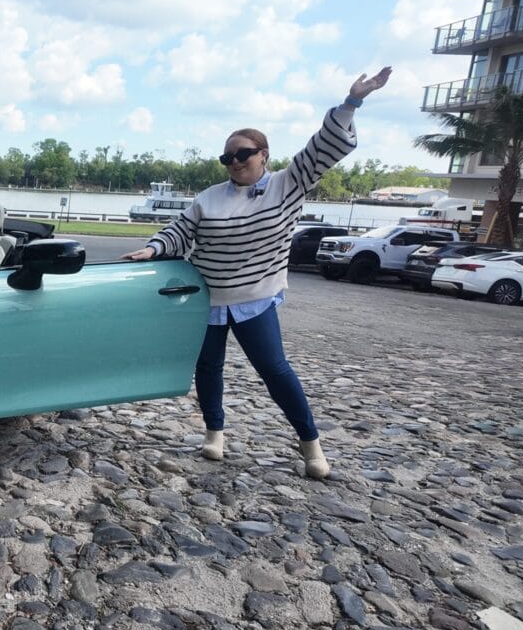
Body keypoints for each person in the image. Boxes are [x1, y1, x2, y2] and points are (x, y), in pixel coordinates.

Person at [123, 66, 393, 480]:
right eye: (227, 157)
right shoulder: (210, 197)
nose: (234, 162)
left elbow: (325, 147)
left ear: (264, 154)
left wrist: (353, 101)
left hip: (255, 298)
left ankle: (311, 445)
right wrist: (154, 248)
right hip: (208, 299)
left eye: (243, 154)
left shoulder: (289, 184)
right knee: (207, 368)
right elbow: (181, 230)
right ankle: (215, 434)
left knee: (275, 369)